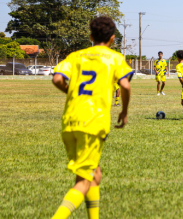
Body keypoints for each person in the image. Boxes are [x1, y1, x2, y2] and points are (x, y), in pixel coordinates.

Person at [51, 16, 133, 219]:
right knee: (83, 182)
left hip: (69, 122)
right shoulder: (114, 58)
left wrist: (69, 91)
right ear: (113, 39)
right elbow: (125, 85)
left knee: (94, 174)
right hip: (93, 123)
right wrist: (124, 111)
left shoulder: (76, 56)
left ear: (90, 36)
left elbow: (57, 78)